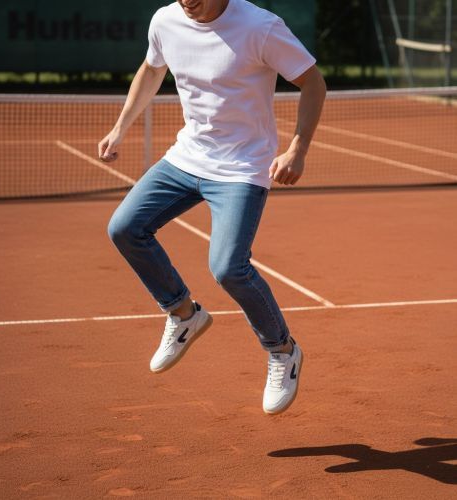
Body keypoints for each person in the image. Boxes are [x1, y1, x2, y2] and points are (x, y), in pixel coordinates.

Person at [99, 0, 326, 415]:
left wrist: (298, 148)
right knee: (124, 227)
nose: (188, 0)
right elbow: (151, 69)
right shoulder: (165, 20)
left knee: (228, 268)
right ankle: (183, 313)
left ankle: (282, 350)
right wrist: (120, 127)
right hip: (187, 157)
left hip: (242, 168)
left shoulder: (261, 27)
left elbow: (313, 82)